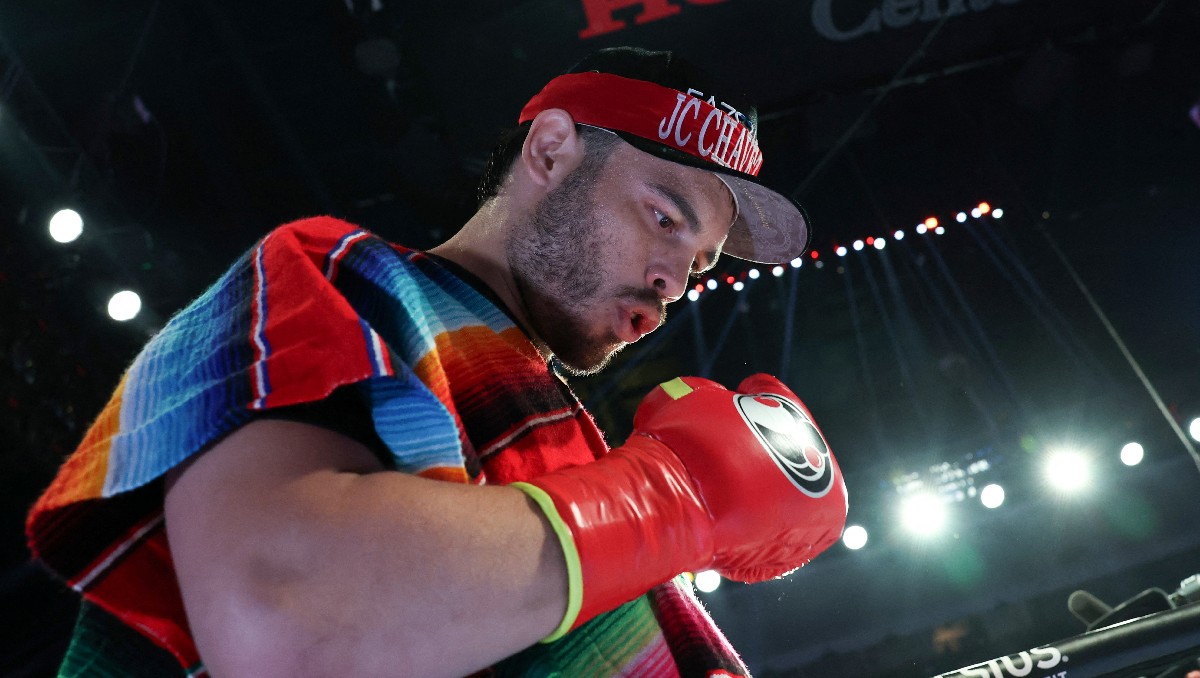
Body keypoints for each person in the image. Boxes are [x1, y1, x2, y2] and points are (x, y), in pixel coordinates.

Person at [27, 47, 848, 677]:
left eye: (701, 266)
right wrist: (680, 498)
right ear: (553, 151)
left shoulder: (568, 434)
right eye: (665, 219)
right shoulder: (336, 274)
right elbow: (289, 619)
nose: (675, 282)